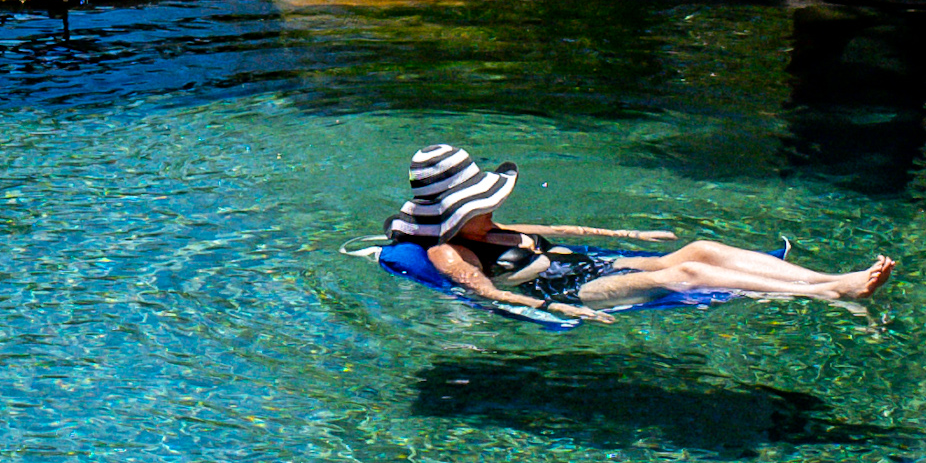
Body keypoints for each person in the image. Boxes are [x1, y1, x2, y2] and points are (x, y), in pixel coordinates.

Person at [380, 141, 893, 310]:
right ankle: (830, 294)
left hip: (589, 265)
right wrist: (549, 311)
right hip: (573, 290)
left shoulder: (483, 226)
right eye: (477, 205)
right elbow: (486, 293)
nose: (489, 210)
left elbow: (563, 230)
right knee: (682, 276)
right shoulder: (449, 251)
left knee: (702, 249)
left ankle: (823, 276)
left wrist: (634, 238)